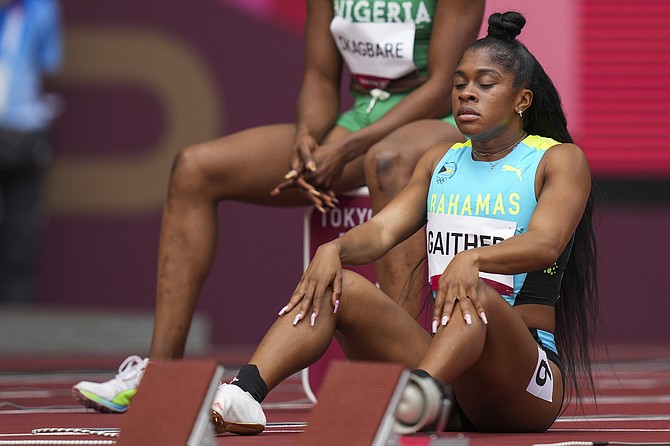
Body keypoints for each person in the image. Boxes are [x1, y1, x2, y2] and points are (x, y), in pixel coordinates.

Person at [71, 0, 486, 413]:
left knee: (388, 160)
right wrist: (309, 137)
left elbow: (439, 86)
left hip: (436, 123)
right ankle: (159, 373)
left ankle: (409, 378)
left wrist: (348, 147)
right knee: (193, 169)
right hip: (358, 121)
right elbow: (320, 77)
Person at [209, 11, 601, 436]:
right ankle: (243, 394)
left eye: (485, 85)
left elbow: (546, 243)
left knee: (477, 292)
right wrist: (333, 249)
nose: (467, 95)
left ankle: (416, 396)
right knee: (340, 283)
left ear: (522, 100)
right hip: (447, 368)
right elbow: (382, 231)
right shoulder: (439, 161)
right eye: (459, 84)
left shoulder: (557, 160)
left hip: (523, 382)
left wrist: (470, 260)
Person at [0, 0, 62, 305]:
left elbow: (49, 66)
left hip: (23, 131)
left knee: (21, 234)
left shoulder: (41, 8)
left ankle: (15, 319)